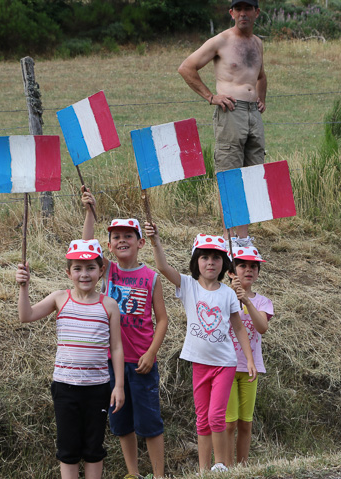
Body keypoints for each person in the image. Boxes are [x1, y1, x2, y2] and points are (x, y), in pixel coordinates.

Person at [144, 223, 258, 472]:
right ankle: (204, 469)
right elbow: (163, 267)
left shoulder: (228, 293)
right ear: (196, 261)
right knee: (202, 419)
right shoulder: (188, 286)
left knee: (217, 416)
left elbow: (239, 328)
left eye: (217, 258)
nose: (210, 263)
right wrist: (155, 241)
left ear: (224, 264)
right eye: (205, 257)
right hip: (199, 363)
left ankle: (220, 465)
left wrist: (249, 359)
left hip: (225, 364)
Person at [16, 239, 124, 479]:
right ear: (68, 272)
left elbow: (116, 347)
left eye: (90, 268)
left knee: (94, 448)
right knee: (68, 448)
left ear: (101, 270)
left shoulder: (109, 305)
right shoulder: (60, 299)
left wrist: (118, 386)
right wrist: (24, 287)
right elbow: (26, 315)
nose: (84, 274)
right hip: (65, 387)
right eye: (77, 268)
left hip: (98, 388)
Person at [81, 189, 169, 479]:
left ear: (140, 242)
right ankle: (134, 473)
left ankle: (157, 475)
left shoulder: (151, 277)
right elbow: (86, 246)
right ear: (109, 245)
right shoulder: (107, 272)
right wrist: (89, 212)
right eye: (116, 237)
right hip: (112, 363)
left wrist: (151, 352)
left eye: (128, 235)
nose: (122, 240)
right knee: (121, 421)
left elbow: (163, 320)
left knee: (150, 422)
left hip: (142, 362)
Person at [177, 0, 267, 248]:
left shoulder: (258, 43)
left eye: (248, 9)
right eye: (237, 9)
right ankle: (228, 237)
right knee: (230, 173)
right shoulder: (221, 41)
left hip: (253, 114)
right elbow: (186, 67)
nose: (243, 14)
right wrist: (210, 96)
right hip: (230, 112)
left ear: (256, 13)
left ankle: (243, 237)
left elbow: (261, 75)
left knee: (253, 173)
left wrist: (262, 99)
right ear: (231, 13)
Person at [225, 246, 273, 466]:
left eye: (254, 266)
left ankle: (242, 466)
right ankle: (226, 466)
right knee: (229, 423)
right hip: (226, 366)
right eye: (242, 265)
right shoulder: (223, 296)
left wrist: (248, 302)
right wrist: (233, 296)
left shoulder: (262, 302)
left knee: (245, 422)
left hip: (251, 369)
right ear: (231, 271)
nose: (248, 270)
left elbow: (262, 327)